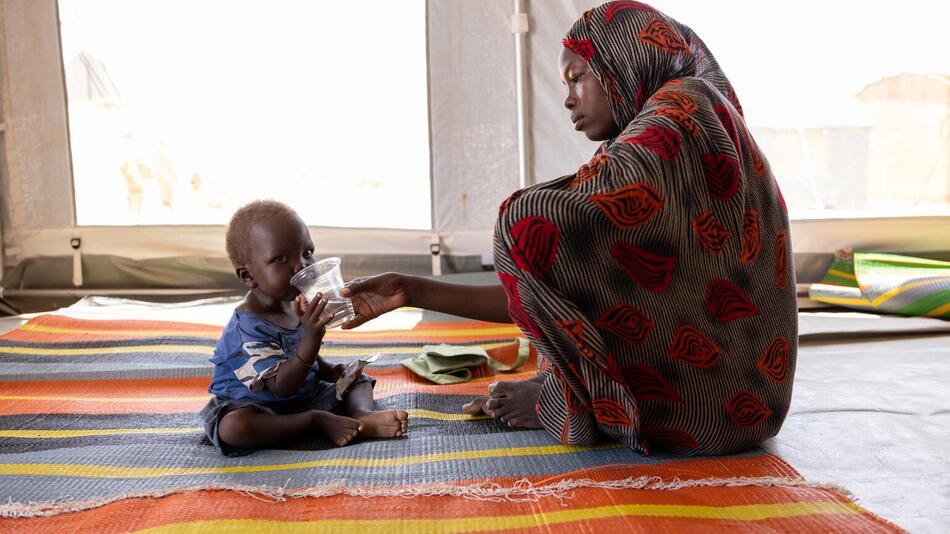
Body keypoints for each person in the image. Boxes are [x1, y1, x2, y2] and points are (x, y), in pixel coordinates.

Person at [342, 1, 796, 456]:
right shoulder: (678, 123)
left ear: (624, 58)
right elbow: (558, 285)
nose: (568, 98)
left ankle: (570, 403)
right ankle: (568, 394)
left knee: (525, 218)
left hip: (707, 409)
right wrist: (409, 290)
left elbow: (533, 233)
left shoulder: (680, 114)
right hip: (744, 396)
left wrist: (561, 394)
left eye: (578, 76)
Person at [201, 199, 408, 456]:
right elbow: (280, 386)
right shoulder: (247, 329)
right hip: (257, 407)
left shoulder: (292, 302)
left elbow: (298, 352)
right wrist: (311, 335)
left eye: (307, 252)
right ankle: (316, 422)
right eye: (281, 258)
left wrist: (330, 371)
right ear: (248, 276)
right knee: (234, 428)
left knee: (357, 379)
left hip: (301, 396)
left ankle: (361, 417)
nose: (301, 265)